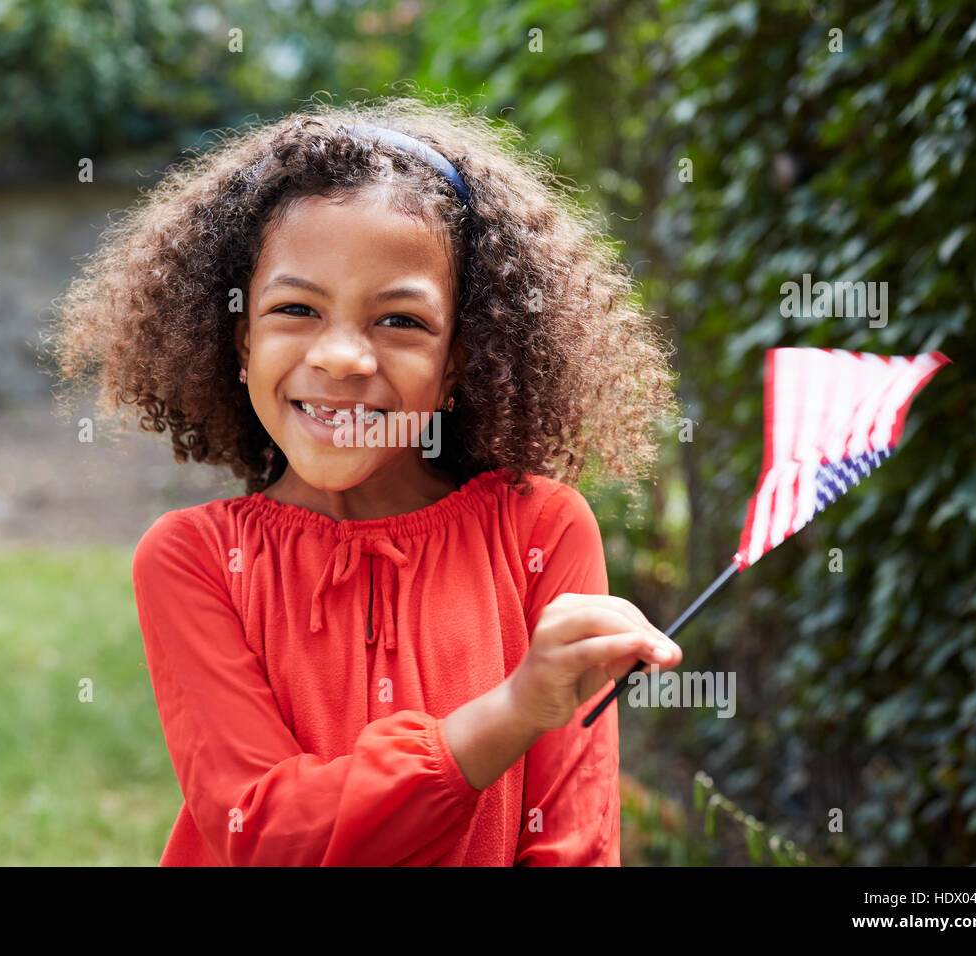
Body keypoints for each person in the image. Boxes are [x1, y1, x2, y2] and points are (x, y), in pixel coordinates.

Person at [49, 94, 682, 865]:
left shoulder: (542, 533)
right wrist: (511, 712)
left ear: (459, 362)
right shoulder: (192, 561)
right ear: (241, 339)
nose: (343, 358)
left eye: (400, 321)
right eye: (295, 309)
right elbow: (265, 833)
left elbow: (574, 845)